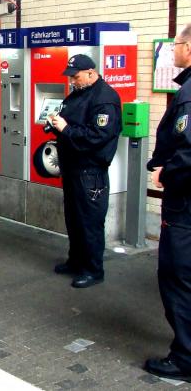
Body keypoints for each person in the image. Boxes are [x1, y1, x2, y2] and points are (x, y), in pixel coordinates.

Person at [48, 54, 122, 288]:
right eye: (71, 77)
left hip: (90, 171)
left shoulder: (105, 98)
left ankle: (92, 270)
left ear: (91, 73)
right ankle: (76, 261)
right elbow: (69, 121)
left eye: (76, 77)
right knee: (74, 219)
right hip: (72, 168)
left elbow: (98, 136)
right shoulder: (79, 94)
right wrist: (56, 124)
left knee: (89, 221)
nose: (72, 81)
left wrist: (66, 129)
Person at [144, 24, 191, 381]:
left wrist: (165, 171)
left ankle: (185, 358)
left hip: (184, 207)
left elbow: (187, 152)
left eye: (176, 44)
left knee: (177, 276)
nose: (173, 51)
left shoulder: (189, 95)